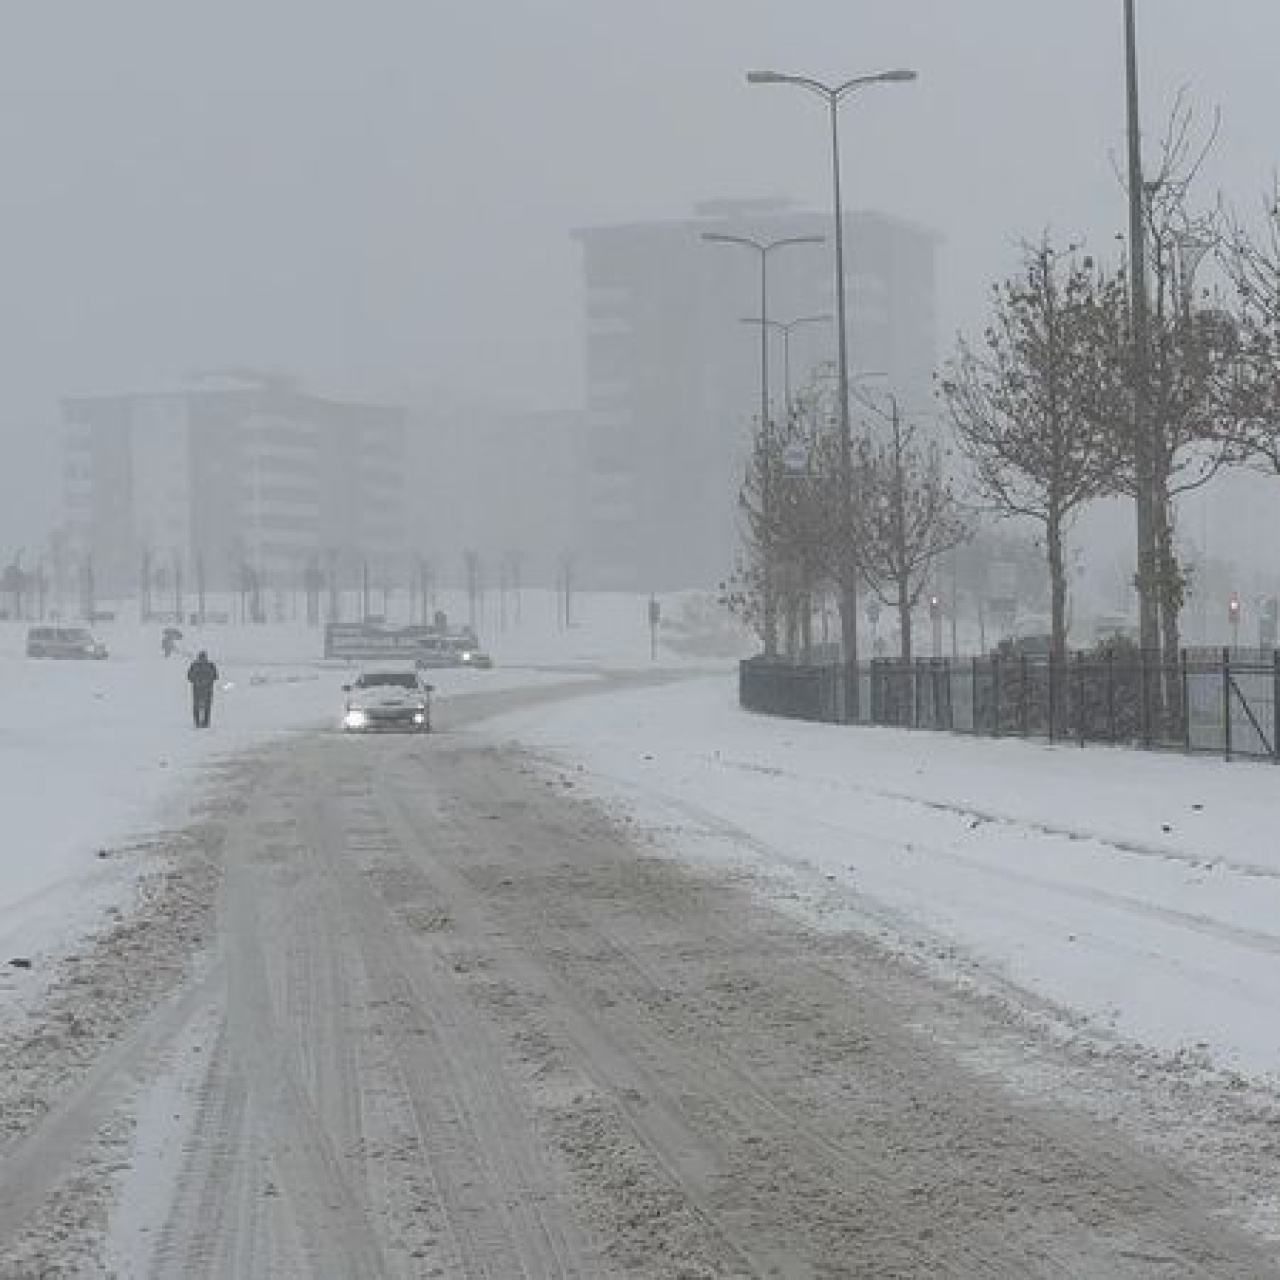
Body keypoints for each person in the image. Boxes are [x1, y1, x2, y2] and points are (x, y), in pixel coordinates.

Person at [187, 650, 218, 729]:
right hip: (203, 688)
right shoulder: (209, 665)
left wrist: (197, 681)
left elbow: (189, 676)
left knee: (202, 706)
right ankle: (202, 722)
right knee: (203, 706)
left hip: (201, 688)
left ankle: (201, 722)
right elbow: (215, 676)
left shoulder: (196, 665)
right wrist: (207, 681)